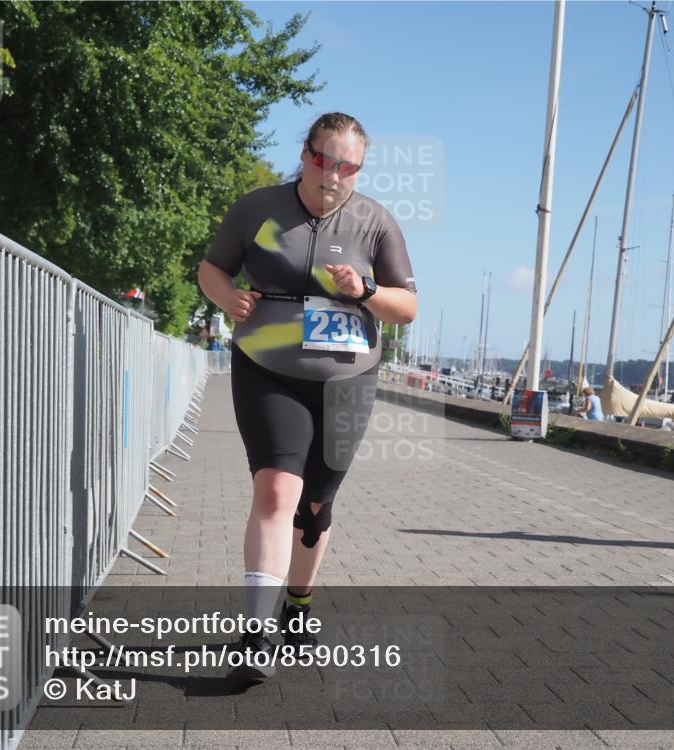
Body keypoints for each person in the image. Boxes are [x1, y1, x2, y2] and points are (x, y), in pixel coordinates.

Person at [198, 113, 418, 678]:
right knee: (275, 490)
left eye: (349, 167)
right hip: (267, 366)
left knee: (315, 505)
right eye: (325, 160)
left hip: (348, 380)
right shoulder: (257, 210)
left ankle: (298, 605)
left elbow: (408, 307)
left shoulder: (376, 222)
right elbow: (211, 269)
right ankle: (255, 635)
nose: (334, 175)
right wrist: (227, 298)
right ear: (306, 154)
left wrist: (366, 290)